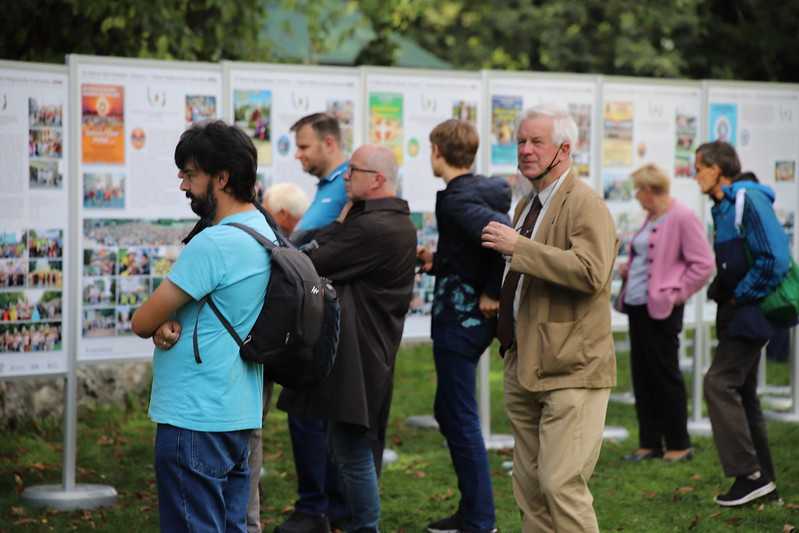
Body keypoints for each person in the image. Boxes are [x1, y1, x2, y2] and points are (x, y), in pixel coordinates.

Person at [131, 120, 275, 532]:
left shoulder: (214, 243)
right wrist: (170, 321)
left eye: (190, 175)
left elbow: (142, 320)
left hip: (195, 416)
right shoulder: (263, 230)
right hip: (238, 413)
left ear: (222, 178)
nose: (183, 186)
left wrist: (158, 323)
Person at [481, 104, 617, 533]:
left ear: (565, 149)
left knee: (561, 486)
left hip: (571, 367)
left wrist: (518, 248)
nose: (525, 150)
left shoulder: (586, 204)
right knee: (530, 490)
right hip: (524, 361)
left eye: (536, 142)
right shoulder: (527, 203)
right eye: (520, 141)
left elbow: (592, 272)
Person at [278, 144, 417, 533]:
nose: (345, 177)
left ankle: (365, 528)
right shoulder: (390, 221)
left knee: (354, 452)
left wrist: (340, 223)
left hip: (359, 355)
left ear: (377, 179)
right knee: (349, 447)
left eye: (353, 170)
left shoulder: (375, 227)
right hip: (367, 351)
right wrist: (343, 220)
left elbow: (312, 261)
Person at [416, 119, 510, 533]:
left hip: (462, 320)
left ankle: (480, 519)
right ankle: (473, 510)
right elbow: (471, 249)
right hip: (464, 315)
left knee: (459, 415)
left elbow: (503, 239)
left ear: (438, 151)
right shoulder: (475, 192)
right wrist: (437, 262)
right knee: (449, 410)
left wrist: (493, 290)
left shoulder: (457, 199)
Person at [694, 141, 787, 506]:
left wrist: (741, 294)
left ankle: (748, 475)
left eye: (699, 168)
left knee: (718, 383)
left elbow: (775, 259)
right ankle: (765, 482)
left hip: (750, 311)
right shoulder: (723, 206)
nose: (695, 175)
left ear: (717, 169)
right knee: (743, 393)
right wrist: (722, 287)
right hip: (735, 311)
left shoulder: (748, 199)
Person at [277, 112, 350, 533]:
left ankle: (317, 508)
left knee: (309, 411)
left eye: (304, 146)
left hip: (325, 317)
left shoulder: (347, 185)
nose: (299, 155)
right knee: (310, 413)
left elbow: (322, 248)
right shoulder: (327, 187)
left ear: (329, 143)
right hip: (314, 312)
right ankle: (324, 506)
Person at [616, 164, 714, 463]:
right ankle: (649, 443)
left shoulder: (682, 216)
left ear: (650, 190)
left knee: (665, 375)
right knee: (642, 375)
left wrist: (676, 293)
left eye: (638, 189)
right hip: (637, 306)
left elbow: (703, 264)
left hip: (661, 309)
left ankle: (678, 443)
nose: (636, 195)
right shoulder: (651, 217)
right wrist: (630, 270)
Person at [245, 182, 311, 533]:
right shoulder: (293, 251)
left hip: (255, 355)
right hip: (270, 358)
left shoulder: (272, 247)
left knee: (249, 434)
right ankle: (248, 514)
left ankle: (247, 517)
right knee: (252, 432)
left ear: (281, 215)